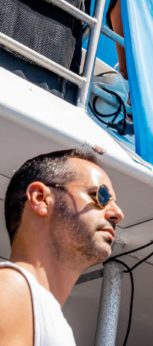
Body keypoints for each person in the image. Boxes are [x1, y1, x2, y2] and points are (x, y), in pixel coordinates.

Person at [0, 148, 124, 345]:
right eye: (101, 196)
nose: (117, 213)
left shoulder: (47, 316)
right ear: (40, 198)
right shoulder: (11, 288)